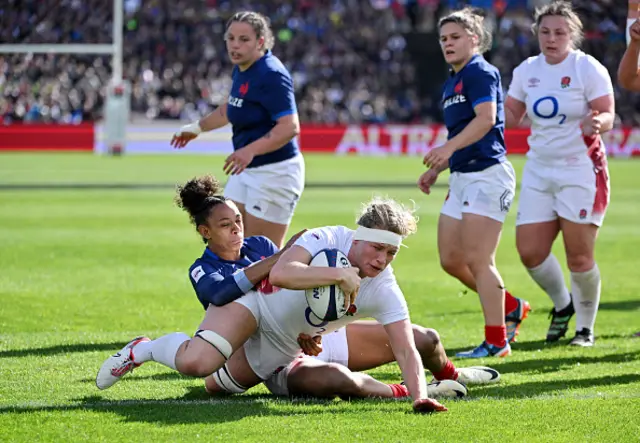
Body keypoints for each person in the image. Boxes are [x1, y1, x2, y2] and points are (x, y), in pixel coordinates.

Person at [96, 194, 449, 413]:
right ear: (358, 238)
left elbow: (404, 349)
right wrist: (337, 275)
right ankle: (144, 349)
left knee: (426, 340)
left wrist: (419, 398)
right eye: (378, 248)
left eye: (392, 253)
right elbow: (280, 274)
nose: (383, 260)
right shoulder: (328, 237)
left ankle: (446, 380)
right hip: (256, 308)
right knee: (200, 368)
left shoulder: (385, 285)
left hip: (293, 343)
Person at [417, 7, 529, 359]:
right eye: (444, 39)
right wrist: (441, 166)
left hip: (487, 175)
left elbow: (486, 121)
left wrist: (447, 147)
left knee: (480, 259)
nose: (448, 44)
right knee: (451, 259)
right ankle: (510, 306)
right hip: (463, 175)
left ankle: (497, 342)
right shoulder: (453, 80)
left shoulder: (480, 72)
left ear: (475, 39)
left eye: (455, 37)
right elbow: (462, 132)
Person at [504, 1, 614, 346]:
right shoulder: (526, 70)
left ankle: (585, 329)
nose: (551, 38)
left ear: (573, 35)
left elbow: (608, 114)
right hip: (539, 169)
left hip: (579, 169)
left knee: (579, 256)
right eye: (545, 32)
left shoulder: (587, 68)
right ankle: (563, 304)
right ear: (537, 33)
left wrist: (598, 122)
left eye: (560, 32)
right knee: (530, 252)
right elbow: (511, 114)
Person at [170, 11, 304, 248]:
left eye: (244, 39)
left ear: (260, 41)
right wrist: (197, 127)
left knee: (261, 255)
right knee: (227, 244)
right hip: (246, 171)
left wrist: (249, 150)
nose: (235, 45)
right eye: (230, 38)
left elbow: (290, 127)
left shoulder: (271, 74)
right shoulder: (243, 69)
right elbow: (230, 109)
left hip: (275, 173)